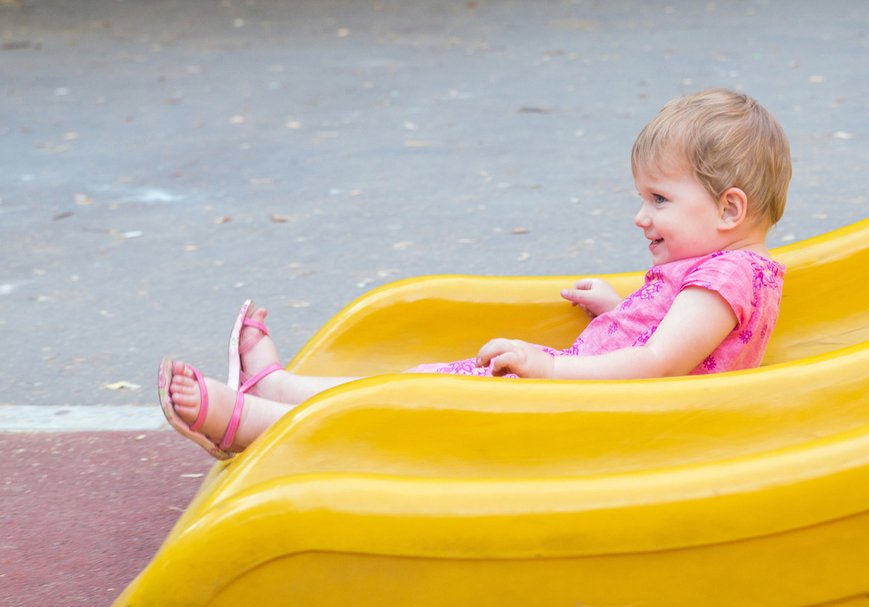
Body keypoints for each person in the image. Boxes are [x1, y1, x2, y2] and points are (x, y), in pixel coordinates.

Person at [159, 87, 792, 460]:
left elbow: (658, 363)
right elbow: (670, 338)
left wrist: (551, 369)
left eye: (659, 200)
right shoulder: (717, 271)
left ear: (729, 207)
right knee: (425, 384)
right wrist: (615, 308)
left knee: (424, 408)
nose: (640, 216)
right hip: (589, 404)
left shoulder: (730, 277)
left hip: (593, 421)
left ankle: (252, 427)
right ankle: (278, 386)